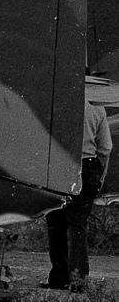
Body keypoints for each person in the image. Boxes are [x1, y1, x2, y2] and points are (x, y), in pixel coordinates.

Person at [46, 102, 112, 291]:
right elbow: (105, 147)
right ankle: (78, 279)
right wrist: (100, 175)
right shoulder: (97, 109)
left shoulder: (56, 103)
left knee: (55, 221)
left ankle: (58, 277)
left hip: (57, 163)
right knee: (77, 224)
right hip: (87, 166)